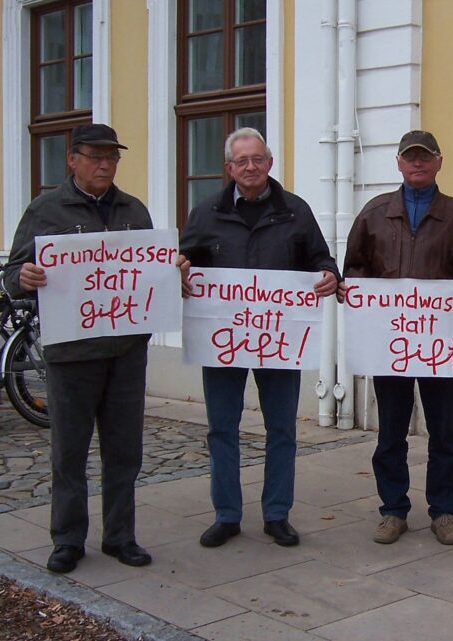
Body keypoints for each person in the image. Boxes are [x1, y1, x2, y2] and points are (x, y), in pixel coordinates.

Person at [5, 123, 156, 574]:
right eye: (94, 156)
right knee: (69, 450)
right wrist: (22, 279)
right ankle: (68, 539)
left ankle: (120, 536)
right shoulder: (46, 209)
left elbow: (149, 270)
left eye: (112, 156)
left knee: (124, 449)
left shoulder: (133, 210)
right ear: (73, 160)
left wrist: (173, 268)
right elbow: (12, 273)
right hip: (71, 352)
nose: (105, 164)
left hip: (126, 350)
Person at [180, 127, 339, 549]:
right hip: (223, 340)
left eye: (259, 159)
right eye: (242, 161)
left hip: (279, 339)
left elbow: (321, 257)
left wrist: (329, 274)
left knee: (282, 428)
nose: (251, 167)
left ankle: (276, 514)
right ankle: (226, 515)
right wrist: (178, 271)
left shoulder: (295, 211)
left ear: (269, 163)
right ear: (229, 168)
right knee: (222, 429)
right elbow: (184, 259)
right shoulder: (206, 212)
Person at [338, 130, 453, 545]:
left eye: (425, 157)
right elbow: (355, 266)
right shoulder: (375, 213)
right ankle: (393, 510)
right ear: (398, 162)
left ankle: (444, 511)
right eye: (410, 157)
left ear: (439, 161)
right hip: (390, 345)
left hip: (440, 346)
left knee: (444, 432)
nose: (417, 164)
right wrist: (354, 291)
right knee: (390, 432)